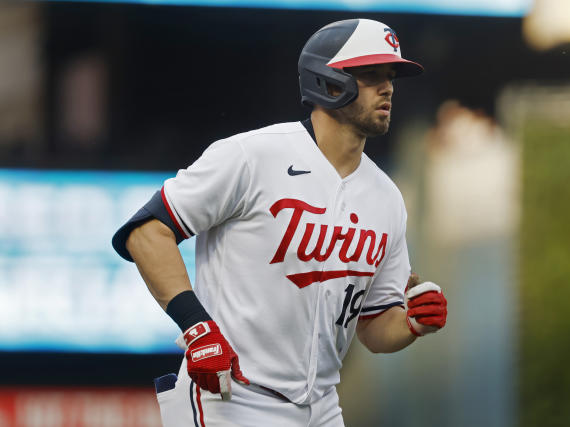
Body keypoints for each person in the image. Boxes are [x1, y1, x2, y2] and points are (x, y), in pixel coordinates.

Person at [112, 18, 448, 427]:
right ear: (328, 81)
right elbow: (147, 232)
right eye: (372, 74)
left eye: (391, 75)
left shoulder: (386, 197)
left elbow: (374, 327)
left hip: (321, 405)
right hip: (231, 397)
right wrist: (196, 327)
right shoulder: (253, 156)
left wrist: (412, 321)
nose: (388, 87)